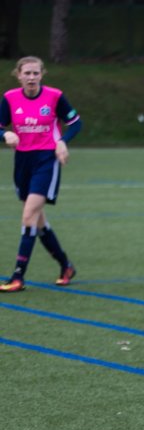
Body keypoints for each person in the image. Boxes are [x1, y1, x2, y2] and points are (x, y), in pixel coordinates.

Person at [0, 56, 83, 293]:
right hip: (22, 162)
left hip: (47, 160)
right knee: (38, 220)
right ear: (18, 75)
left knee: (28, 216)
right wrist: (4, 135)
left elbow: (76, 123)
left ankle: (17, 276)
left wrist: (62, 142)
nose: (31, 77)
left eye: (36, 73)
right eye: (27, 73)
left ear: (42, 74)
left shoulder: (55, 96)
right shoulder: (9, 98)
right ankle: (66, 265)